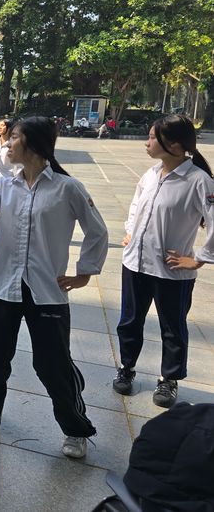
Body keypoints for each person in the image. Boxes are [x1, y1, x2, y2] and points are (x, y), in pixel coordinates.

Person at [0, 116, 108, 459]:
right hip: (0, 284)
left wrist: (85, 272)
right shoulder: (8, 185)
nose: (7, 144)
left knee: (52, 362)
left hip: (46, 289)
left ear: (34, 144)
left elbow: (97, 231)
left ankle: (75, 427)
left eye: (14, 138)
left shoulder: (68, 188)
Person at [113, 114, 214, 408]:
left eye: (152, 137)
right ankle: (127, 368)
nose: (147, 142)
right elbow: (136, 205)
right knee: (129, 321)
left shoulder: (198, 180)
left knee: (173, 328)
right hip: (135, 264)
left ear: (174, 144)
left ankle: (169, 380)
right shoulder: (151, 174)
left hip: (171, 272)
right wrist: (130, 231)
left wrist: (198, 259)